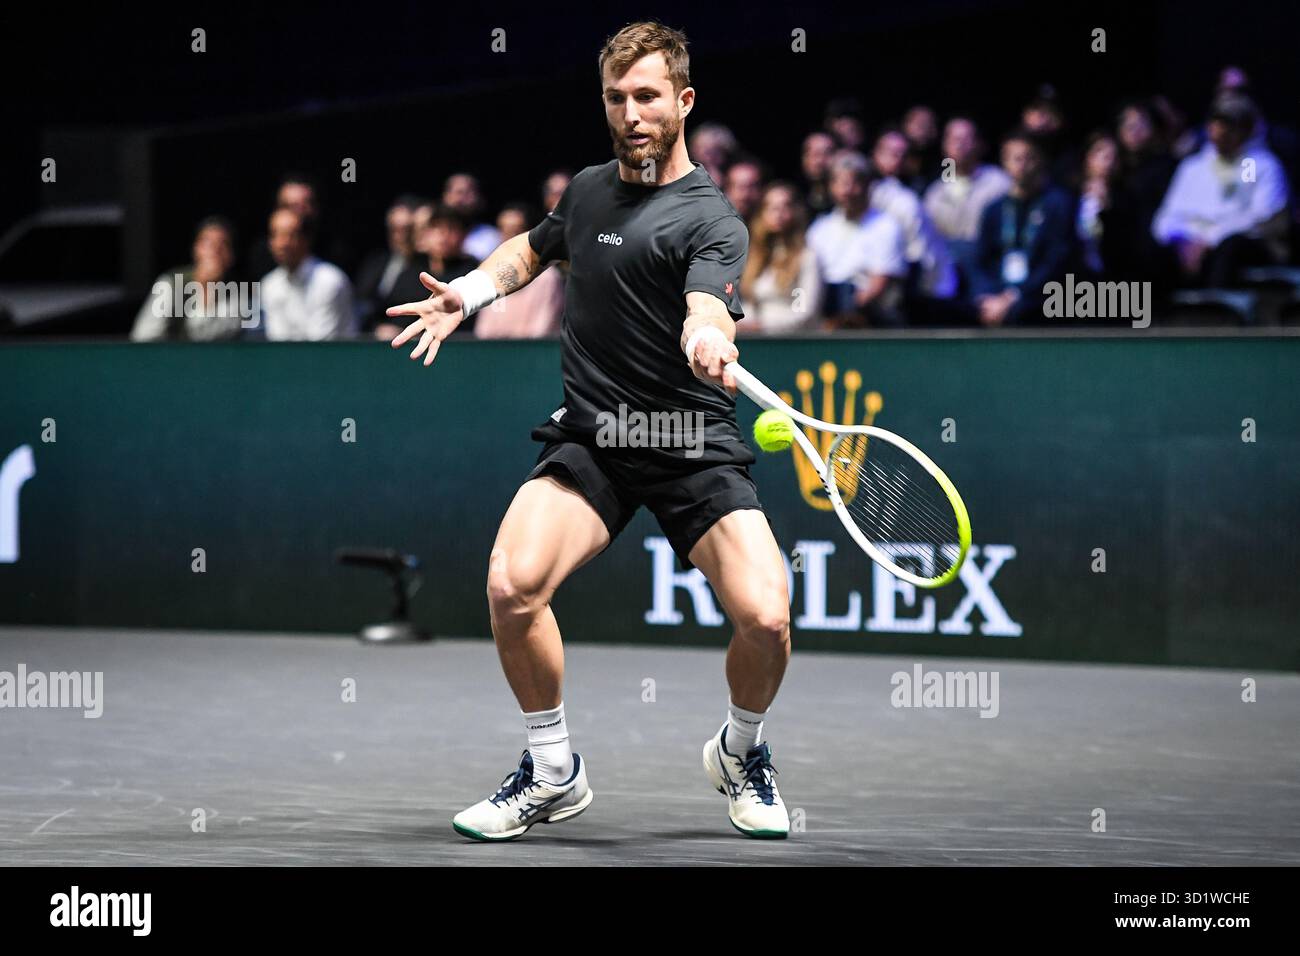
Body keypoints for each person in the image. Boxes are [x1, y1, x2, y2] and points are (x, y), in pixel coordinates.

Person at [385, 21, 792, 841]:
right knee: (511, 584)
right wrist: (467, 294)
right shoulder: (587, 191)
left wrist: (709, 329)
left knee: (768, 617)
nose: (630, 112)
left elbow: (709, 301)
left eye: (647, 96)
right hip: (596, 436)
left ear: (683, 102)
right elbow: (533, 253)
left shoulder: (712, 218)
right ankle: (551, 769)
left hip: (688, 440)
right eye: (616, 96)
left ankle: (740, 750)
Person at [1152, 92, 1291, 287]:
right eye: (1216, 123)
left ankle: (1216, 311)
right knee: (1155, 251)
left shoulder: (1253, 164)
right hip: (1192, 243)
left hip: (1238, 244)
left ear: (1245, 129)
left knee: (1229, 248)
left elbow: (1256, 216)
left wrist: (1209, 240)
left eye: (1229, 125)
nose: (1220, 131)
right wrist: (1186, 240)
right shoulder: (1193, 167)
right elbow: (1165, 218)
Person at [969, 130, 1074, 325]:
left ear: (1040, 161)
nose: (1022, 165)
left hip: (1040, 294)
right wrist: (989, 296)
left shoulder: (1058, 205)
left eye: (1029, 158)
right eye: (1016, 159)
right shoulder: (994, 209)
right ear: (1004, 162)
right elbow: (980, 260)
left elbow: (1056, 261)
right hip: (997, 292)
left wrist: (1014, 296)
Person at [806, 151, 907, 327]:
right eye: (841, 183)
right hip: (822, 306)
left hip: (867, 314)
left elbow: (879, 284)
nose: (847, 191)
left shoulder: (886, 225)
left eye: (854, 183)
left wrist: (845, 316)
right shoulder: (820, 228)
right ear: (831, 187)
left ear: (867, 186)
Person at [131, 216, 244, 342]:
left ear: (231, 255)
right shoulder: (172, 285)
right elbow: (144, 338)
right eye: (207, 243)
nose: (215, 250)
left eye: (223, 244)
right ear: (196, 249)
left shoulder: (240, 292)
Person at [259, 207, 355, 340]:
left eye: (290, 235)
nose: (282, 243)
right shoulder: (269, 284)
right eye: (275, 234)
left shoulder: (330, 280)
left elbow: (319, 346)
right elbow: (277, 341)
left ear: (306, 239)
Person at [739, 181, 822, 333]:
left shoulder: (806, 257)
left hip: (793, 340)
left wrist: (762, 326)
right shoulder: (757, 257)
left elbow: (804, 313)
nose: (778, 214)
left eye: (785, 207)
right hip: (759, 339)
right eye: (772, 208)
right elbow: (752, 306)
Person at [355, 197, 419, 336]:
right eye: (394, 229)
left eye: (407, 229)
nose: (400, 236)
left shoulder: (430, 266)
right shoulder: (376, 263)